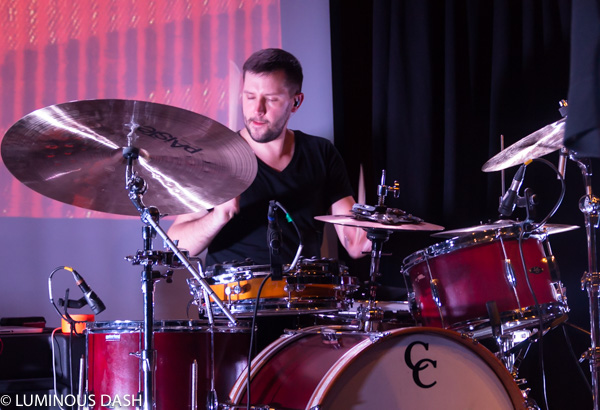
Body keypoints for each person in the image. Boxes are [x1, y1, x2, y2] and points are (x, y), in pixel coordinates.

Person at [168, 48, 370, 268]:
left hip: (302, 288)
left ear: (296, 102)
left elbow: (355, 243)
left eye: (271, 99)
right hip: (233, 289)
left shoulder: (321, 153)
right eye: (250, 97)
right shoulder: (216, 158)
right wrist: (218, 216)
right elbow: (176, 246)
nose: (257, 109)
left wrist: (382, 226)